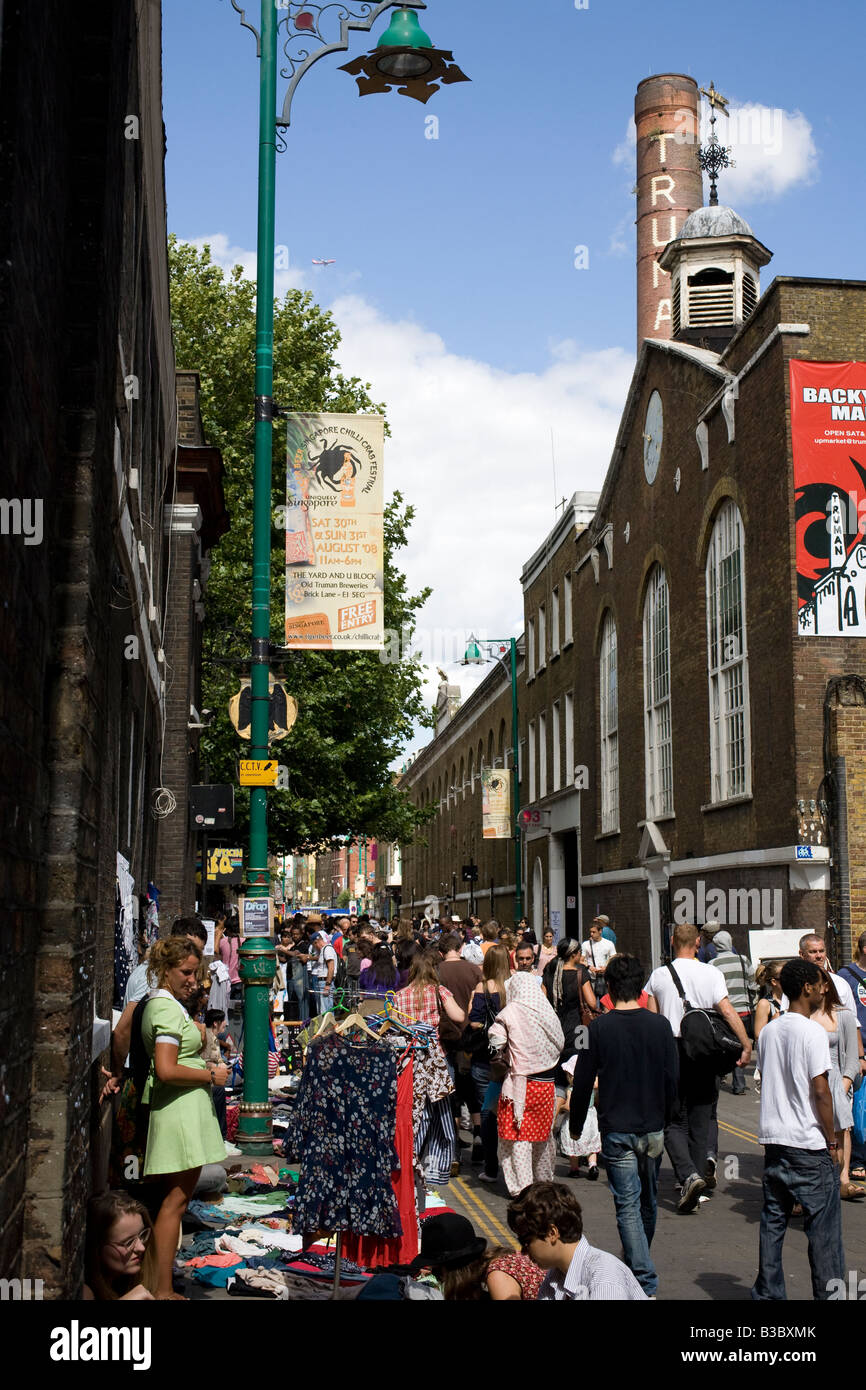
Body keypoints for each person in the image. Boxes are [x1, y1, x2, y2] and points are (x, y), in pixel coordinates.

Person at [570, 954, 679, 1297]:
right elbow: (672, 1078)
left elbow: (583, 1080)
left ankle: (642, 1278)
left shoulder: (596, 1029)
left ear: (610, 988)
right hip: (653, 1128)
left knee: (628, 1205)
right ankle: (638, 1265)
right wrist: (670, 1118)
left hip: (616, 1128)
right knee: (647, 1201)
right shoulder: (660, 1026)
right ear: (641, 989)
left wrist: (575, 1125)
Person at [751, 958, 845, 1301]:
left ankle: (769, 1294)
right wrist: (831, 1138)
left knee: (773, 1222)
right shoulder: (813, 1032)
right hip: (808, 1143)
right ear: (806, 988)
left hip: (774, 1141)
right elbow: (820, 1090)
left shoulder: (770, 1030)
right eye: (820, 984)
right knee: (823, 1231)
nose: (824, 989)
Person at [140, 937, 229, 1299]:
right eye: (186, 972)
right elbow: (165, 1068)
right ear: (165, 970)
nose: (194, 980)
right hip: (179, 1113)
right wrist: (210, 1075)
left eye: (196, 973)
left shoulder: (167, 1005)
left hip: (183, 1110)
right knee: (174, 1203)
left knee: (174, 1202)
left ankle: (161, 1282)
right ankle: (162, 1290)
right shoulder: (163, 1008)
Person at [646, 923, 751, 1213]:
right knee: (701, 1119)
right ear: (697, 943)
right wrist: (745, 1043)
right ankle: (696, 1183)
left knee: (672, 1120)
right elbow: (727, 1010)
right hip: (705, 1052)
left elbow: (653, 1018)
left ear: (671, 942)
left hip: (672, 1050)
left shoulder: (659, 975)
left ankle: (688, 1176)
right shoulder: (712, 972)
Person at [487, 973, 564, 1196]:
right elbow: (560, 1041)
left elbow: (496, 1040)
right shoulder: (546, 1010)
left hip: (519, 1085)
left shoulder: (511, 1011)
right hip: (546, 1084)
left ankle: (523, 1188)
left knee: (519, 1137)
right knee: (541, 1136)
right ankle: (543, 1183)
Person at [507, 1182, 647, 1300]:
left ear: (552, 1233)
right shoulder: (556, 1275)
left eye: (526, 1241)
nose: (524, 1251)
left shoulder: (605, 1277)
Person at [809, 973, 863, 1199]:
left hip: (837, 1079)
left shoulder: (844, 1015)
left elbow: (852, 1058)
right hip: (811, 1080)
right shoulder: (802, 1016)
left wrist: (842, 1086)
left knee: (842, 1130)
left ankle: (843, 1180)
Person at [408, 1212, 544, 1301]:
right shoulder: (495, 1263)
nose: (438, 1277)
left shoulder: (498, 1278)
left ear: (453, 1271)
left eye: (437, 1272)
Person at [468, 943, 511, 1183]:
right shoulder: (514, 987)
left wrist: (488, 1026)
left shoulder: (483, 988)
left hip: (486, 1058)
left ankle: (491, 1167)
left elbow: (473, 1021)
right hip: (512, 1059)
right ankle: (514, 1164)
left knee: (487, 1113)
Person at [541, 939, 597, 1090]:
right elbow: (592, 1003)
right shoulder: (581, 972)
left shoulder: (550, 970)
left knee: (557, 1072)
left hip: (554, 1028)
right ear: (573, 954)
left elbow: (542, 999)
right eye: (580, 952)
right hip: (580, 1028)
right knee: (581, 1066)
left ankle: (558, 1099)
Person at [83, 1191, 157, 1300]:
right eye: (128, 1242)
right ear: (97, 1246)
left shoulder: (125, 1280)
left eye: (142, 1235)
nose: (142, 1247)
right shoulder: (85, 1292)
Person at [710, 929, 757, 1094]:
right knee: (741, 1045)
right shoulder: (743, 960)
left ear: (716, 946)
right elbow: (753, 985)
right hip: (744, 1012)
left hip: (725, 1013)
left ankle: (726, 1078)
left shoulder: (713, 965)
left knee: (726, 1046)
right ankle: (739, 1084)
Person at [838, 929, 866, 1180]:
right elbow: (849, 1018)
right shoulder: (846, 977)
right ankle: (857, 1159)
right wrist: (858, 1054)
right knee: (858, 1109)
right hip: (861, 1051)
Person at [580, 918, 616, 998]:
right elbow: (580, 960)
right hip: (590, 978)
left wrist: (606, 968)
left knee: (605, 1002)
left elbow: (614, 958)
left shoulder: (608, 944)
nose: (591, 934)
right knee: (592, 1003)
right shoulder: (586, 944)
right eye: (591, 932)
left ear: (600, 931)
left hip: (604, 977)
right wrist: (589, 967)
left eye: (594, 932)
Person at [309, 930, 338, 1014]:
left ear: (316, 942)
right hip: (322, 982)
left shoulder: (327, 949)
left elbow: (331, 967)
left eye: (314, 945)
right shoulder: (323, 950)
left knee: (325, 1010)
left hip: (325, 982)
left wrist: (327, 985)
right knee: (322, 1009)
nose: (315, 948)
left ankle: (328, 1027)